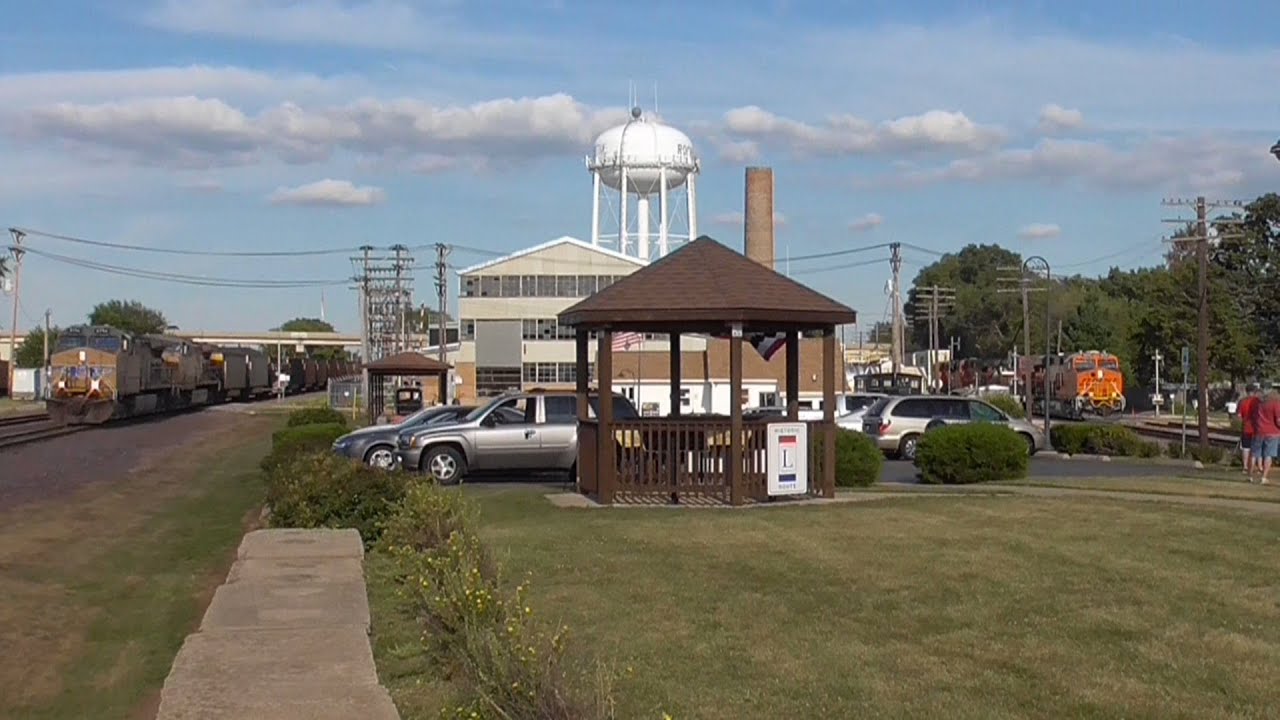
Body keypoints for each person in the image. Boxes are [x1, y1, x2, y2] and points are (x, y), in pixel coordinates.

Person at [1249, 388, 1280, 484]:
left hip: (1259, 431)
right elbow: (1278, 420)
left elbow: (1254, 417)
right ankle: (1264, 477)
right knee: (1268, 455)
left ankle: (1250, 475)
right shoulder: (1276, 404)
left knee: (1254, 453)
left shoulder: (1260, 404)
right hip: (1272, 432)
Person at [1238, 384, 1262, 476]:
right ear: (1255, 392)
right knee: (1258, 448)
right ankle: (1259, 466)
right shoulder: (1257, 401)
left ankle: (1245, 467)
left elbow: (1239, 415)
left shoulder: (1242, 401)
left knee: (1246, 448)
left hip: (1246, 427)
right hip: (1256, 428)